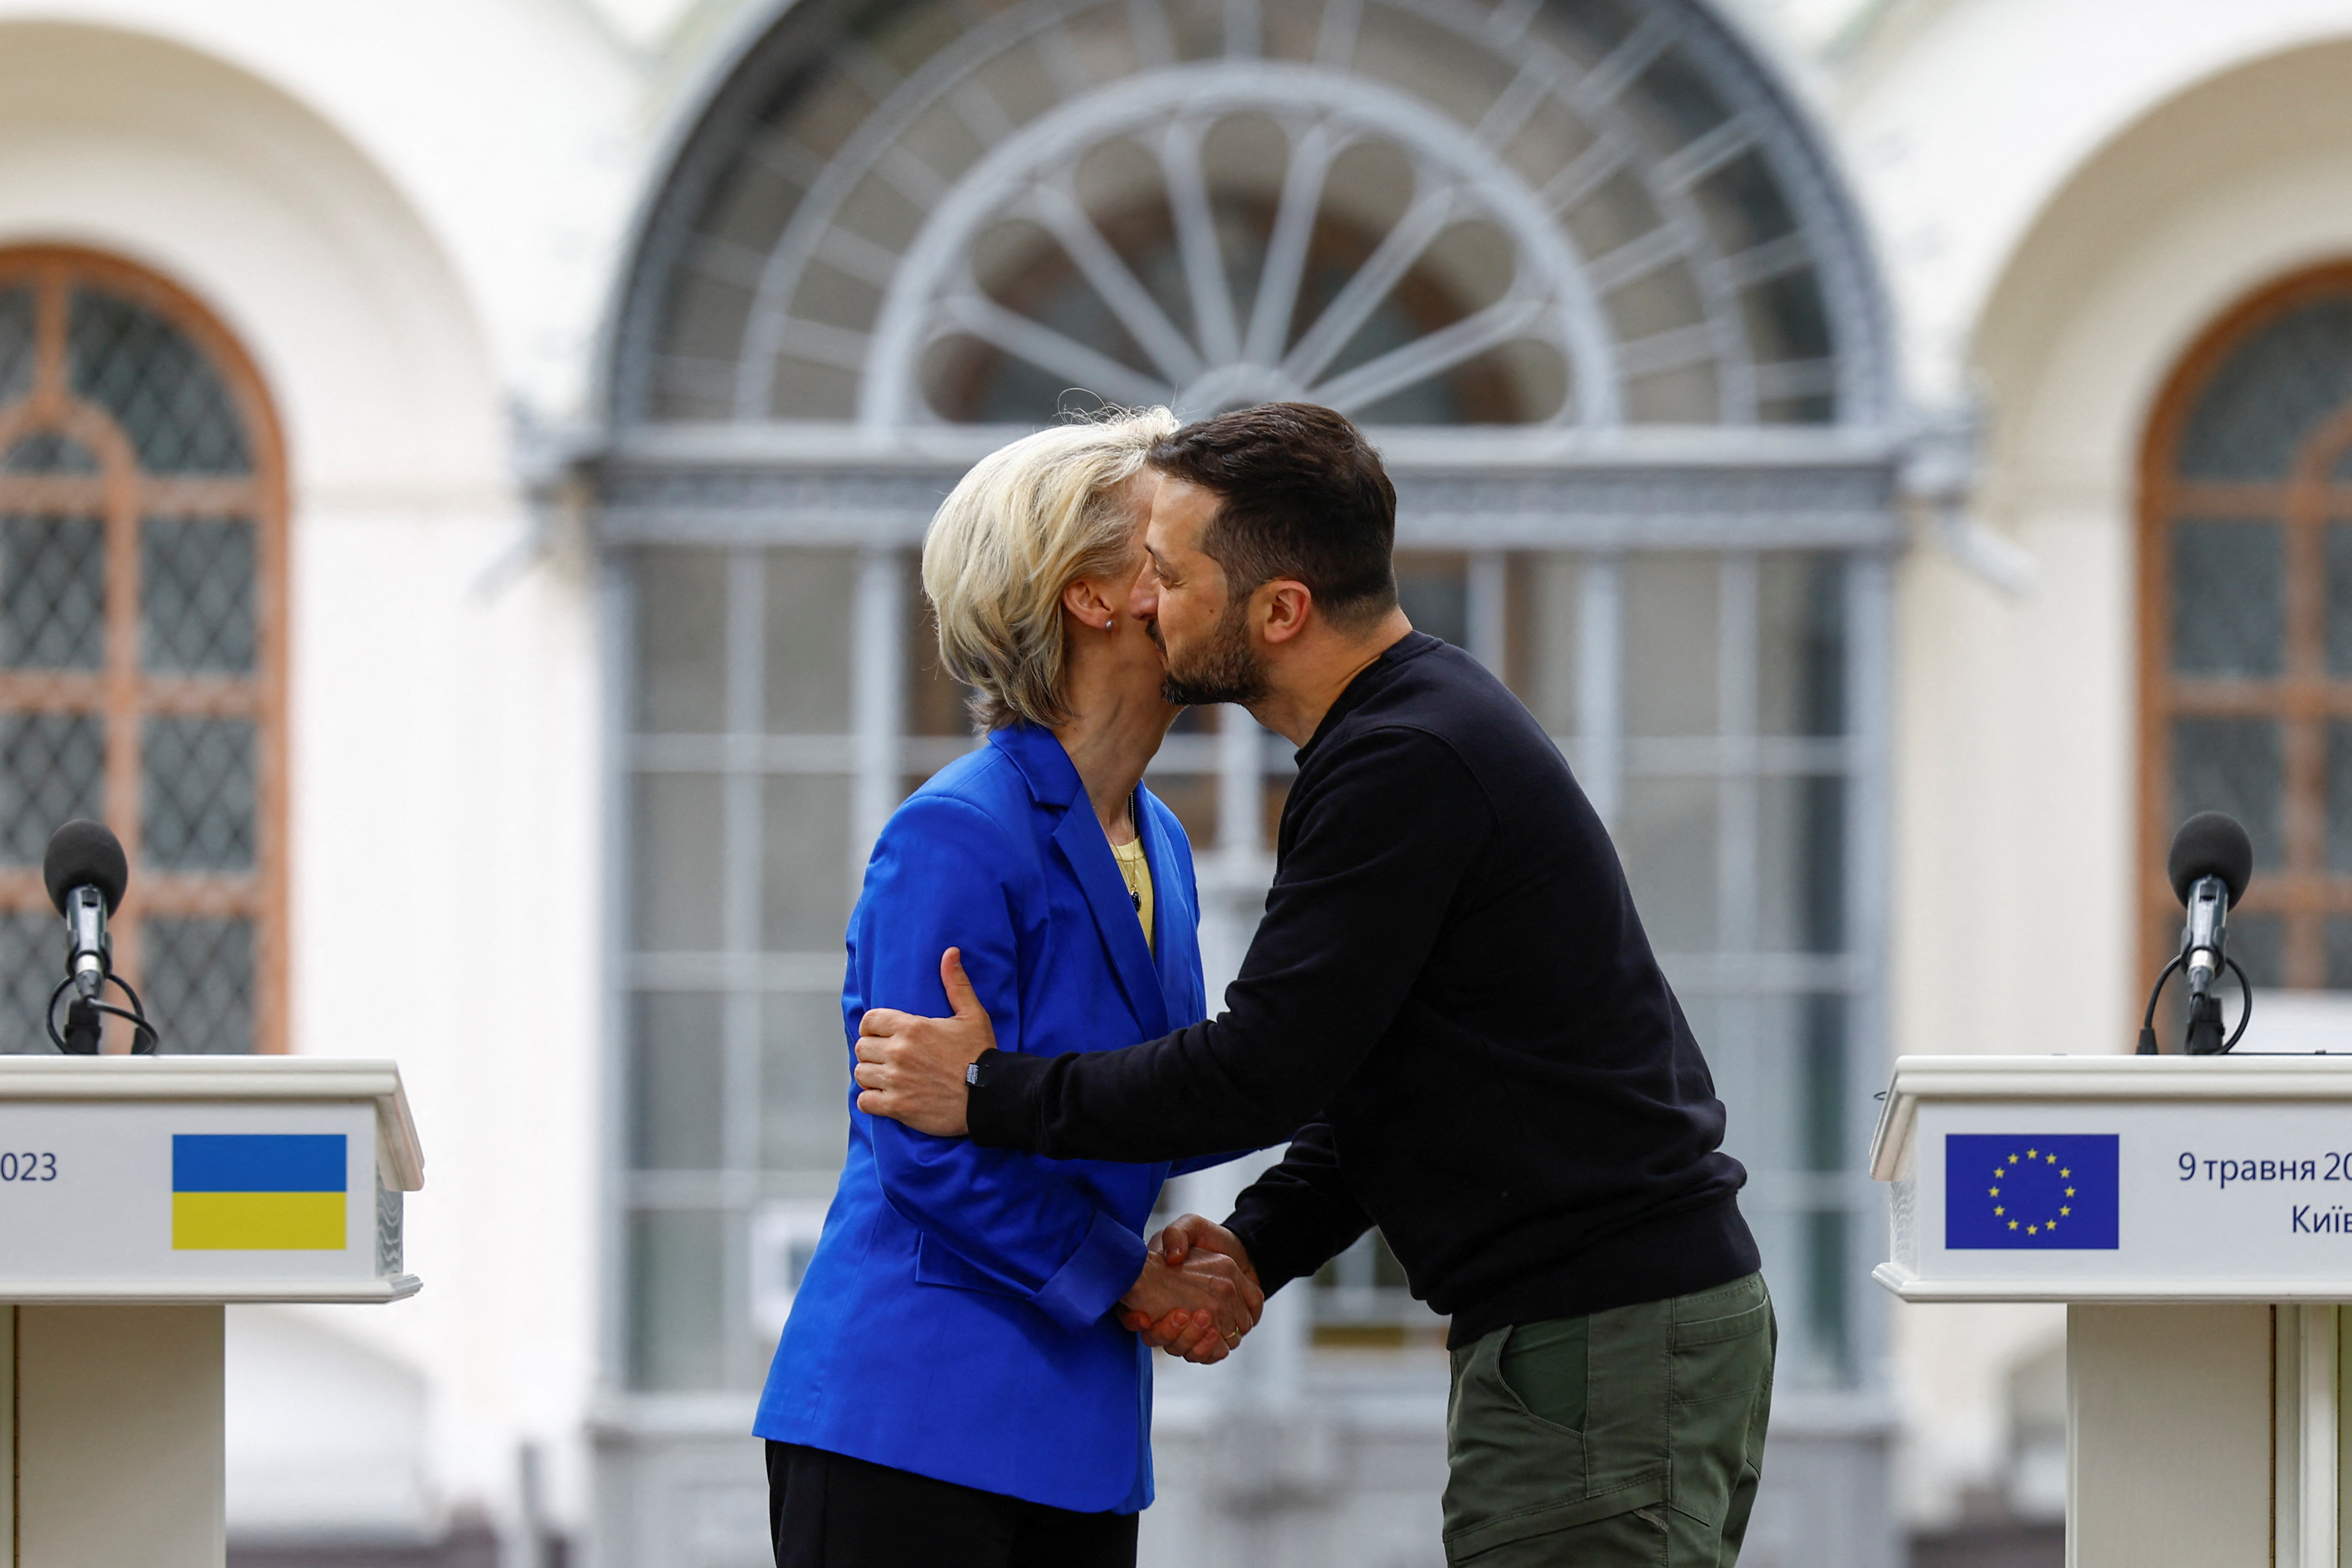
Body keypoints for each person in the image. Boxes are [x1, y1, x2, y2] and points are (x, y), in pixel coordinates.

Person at [851, 402, 1777, 1568]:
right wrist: (1252, 1246)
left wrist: (986, 1090)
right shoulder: (1399, 741)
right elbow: (1357, 1067)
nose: (1151, 594)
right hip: (1588, 1334)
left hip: (1596, 1336)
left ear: (1277, 609)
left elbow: (1261, 1069)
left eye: (1169, 571)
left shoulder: (1398, 761)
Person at [754, 410, 1263, 1568]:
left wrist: (1221, 1256)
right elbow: (925, 1151)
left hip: (1075, 1424)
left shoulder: (1162, 842)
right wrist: (1131, 1274)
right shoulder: (955, 833)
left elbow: (1164, 1091)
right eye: (1174, 539)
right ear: (1093, 593)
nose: (1218, 565)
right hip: (918, 1413)